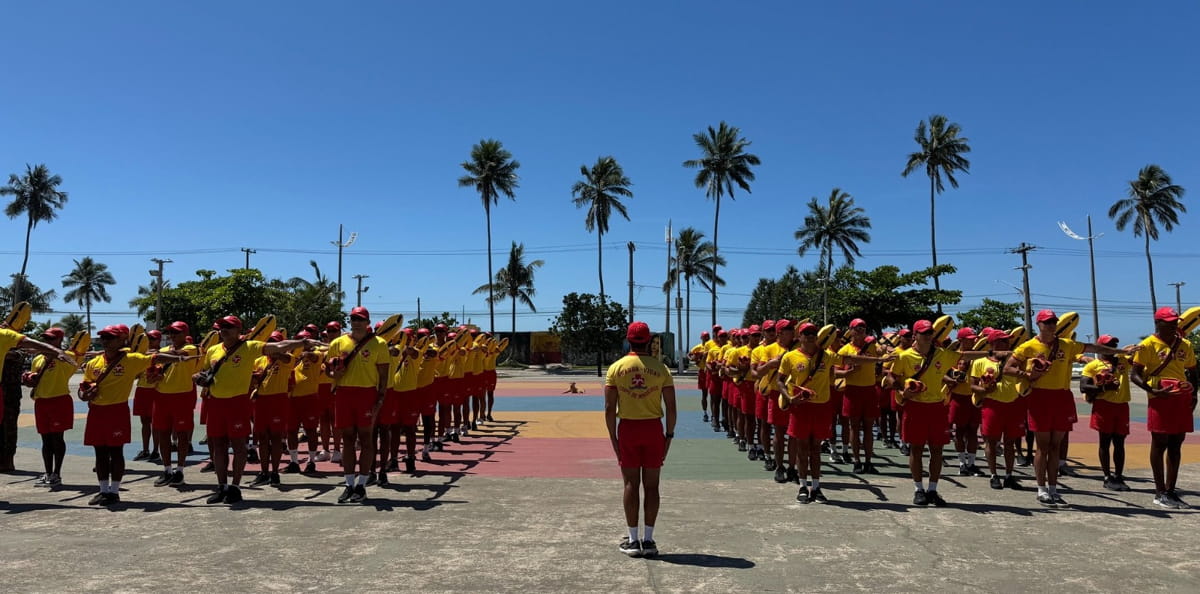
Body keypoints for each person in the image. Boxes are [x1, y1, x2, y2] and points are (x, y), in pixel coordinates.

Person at [1004, 309, 1131, 507]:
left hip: (1062, 397)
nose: (1051, 325)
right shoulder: (1028, 346)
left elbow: (1093, 347)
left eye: (1053, 321)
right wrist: (1027, 375)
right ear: (1039, 324)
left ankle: (1053, 489)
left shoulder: (1067, 345)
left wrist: (1120, 352)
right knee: (1043, 446)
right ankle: (1041, 489)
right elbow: (1008, 368)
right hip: (1040, 397)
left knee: (1056, 446)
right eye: (1047, 322)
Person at [195, 315, 316, 504]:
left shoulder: (250, 347)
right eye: (221, 327)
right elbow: (204, 371)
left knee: (238, 446)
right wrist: (199, 378)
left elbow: (276, 348)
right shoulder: (212, 350)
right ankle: (221, 487)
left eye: (228, 327)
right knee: (218, 446)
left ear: (238, 330)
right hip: (216, 403)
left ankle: (235, 487)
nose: (223, 330)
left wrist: (301, 342)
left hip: (238, 403)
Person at [82, 325, 190, 505]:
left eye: (110, 337)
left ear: (121, 341)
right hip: (96, 411)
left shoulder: (131, 359)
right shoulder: (94, 363)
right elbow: (84, 387)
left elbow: (155, 357)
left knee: (116, 452)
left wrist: (178, 358)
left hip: (117, 411)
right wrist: (85, 394)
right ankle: (103, 490)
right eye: (103, 337)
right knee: (99, 453)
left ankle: (114, 491)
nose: (106, 341)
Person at [888, 320, 987, 507]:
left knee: (937, 450)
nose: (927, 336)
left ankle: (932, 489)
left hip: (938, 407)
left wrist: (992, 353)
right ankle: (918, 489)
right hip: (915, 407)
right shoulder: (905, 356)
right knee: (916, 449)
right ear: (915, 335)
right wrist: (902, 390)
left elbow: (964, 355)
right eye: (923, 332)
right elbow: (891, 377)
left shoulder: (943, 354)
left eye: (930, 332)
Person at [604, 321, 676, 558]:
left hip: (628, 429)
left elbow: (609, 408)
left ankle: (633, 540)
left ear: (628, 340)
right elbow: (672, 407)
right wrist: (669, 435)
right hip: (653, 429)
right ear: (649, 341)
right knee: (653, 485)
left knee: (630, 484)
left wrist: (614, 439)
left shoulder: (616, 368)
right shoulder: (661, 368)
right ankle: (649, 539)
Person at [1130, 307, 1198, 509]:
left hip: (1180, 397)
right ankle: (1159, 492)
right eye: (1168, 322)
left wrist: (1194, 395)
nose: (1173, 325)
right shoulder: (1147, 345)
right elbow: (1135, 374)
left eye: (1175, 322)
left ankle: (1171, 490)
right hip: (1159, 398)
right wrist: (1152, 390)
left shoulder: (1184, 344)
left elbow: (1193, 372)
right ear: (1157, 323)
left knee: (1177, 443)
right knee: (1160, 442)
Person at [324, 306, 389, 504]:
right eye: (353, 319)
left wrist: (380, 399)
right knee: (348, 439)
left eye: (360, 319)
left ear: (368, 322)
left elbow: (384, 375)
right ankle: (349, 484)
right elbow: (327, 370)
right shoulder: (338, 342)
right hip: (344, 393)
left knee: (366, 439)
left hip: (366, 394)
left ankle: (362, 484)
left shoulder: (379, 344)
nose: (357, 323)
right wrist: (334, 374)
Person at [970, 329, 1023, 489]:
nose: (1007, 344)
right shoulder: (980, 362)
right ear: (993, 343)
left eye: (1007, 341)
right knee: (991, 442)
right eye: (1003, 341)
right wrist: (985, 390)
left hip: (1013, 404)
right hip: (992, 406)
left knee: (1010, 442)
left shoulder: (1014, 361)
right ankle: (994, 475)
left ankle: (1009, 475)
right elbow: (972, 386)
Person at [151, 321, 202, 487]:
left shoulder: (192, 349)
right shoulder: (163, 351)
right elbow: (155, 368)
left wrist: (158, 355)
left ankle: (179, 469)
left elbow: (183, 354)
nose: (173, 335)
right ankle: (167, 470)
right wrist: (155, 376)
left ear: (185, 333)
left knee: (182, 435)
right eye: (171, 332)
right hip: (161, 396)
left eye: (177, 332)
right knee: (162, 434)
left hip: (182, 396)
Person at [1080, 334, 1132, 492]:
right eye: (1109, 345)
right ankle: (1106, 476)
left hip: (1122, 406)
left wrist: (1131, 349)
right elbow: (1084, 386)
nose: (1112, 348)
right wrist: (1103, 388)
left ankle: (1118, 475)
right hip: (1104, 406)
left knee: (1120, 442)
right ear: (1100, 347)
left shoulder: (1123, 361)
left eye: (1114, 345)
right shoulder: (1093, 365)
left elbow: (1137, 354)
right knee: (1105, 441)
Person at [27, 328, 75, 486]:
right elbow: (34, 378)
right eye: (46, 339)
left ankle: (57, 474)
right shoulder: (37, 359)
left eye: (52, 339)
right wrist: (29, 378)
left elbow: (73, 362)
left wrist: (57, 354)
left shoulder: (66, 357)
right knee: (45, 439)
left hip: (59, 400)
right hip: (41, 402)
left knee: (57, 439)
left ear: (60, 340)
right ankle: (48, 473)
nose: (47, 342)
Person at [248, 331, 296, 487]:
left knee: (275, 437)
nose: (273, 345)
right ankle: (264, 472)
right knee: (262, 437)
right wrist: (254, 378)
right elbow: (252, 379)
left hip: (278, 400)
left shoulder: (287, 359)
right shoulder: (259, 360)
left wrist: (278, 352)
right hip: (261, 401)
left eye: (276, 342)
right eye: (271, 342)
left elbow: (288, 358)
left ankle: (274, 472)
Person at [837, 319, 882, 473]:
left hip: (870, 390)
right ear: (851, 330)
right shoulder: (845, 350)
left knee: (869, 427)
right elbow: (835, 371)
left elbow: (885, 353)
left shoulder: (873, 347)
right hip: (852, 391)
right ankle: (857, 461)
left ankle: (869, 461)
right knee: (854, 427)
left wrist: (884, 347)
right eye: (857, 328)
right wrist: (848, 373)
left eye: (863, 327)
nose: (860, 330)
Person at [947, 327, 985, 477]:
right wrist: (953, 376)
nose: (972, 341)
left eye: (973, 338)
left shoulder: (978, 355)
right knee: (960, 431)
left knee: (973, 432)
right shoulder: (953, 356)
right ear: (961, 340)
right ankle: (962, 463)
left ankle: (972, 463)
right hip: (958, 397)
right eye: (969, 339)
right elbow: (943, 372)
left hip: (974, 397)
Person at [288, 331, 323, 474]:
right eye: (299, 340)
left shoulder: (317, 353)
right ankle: (294, 462)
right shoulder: (291, 356)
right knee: (291, 431)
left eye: (305, 341)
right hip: (291, 399)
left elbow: (314, 357)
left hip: (309, 399)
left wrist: (306, 352)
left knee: (311, 430)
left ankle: (311, 462)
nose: (302, 343)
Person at [132, 330, 163, 463]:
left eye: (153, 339)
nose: (150, 342)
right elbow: (136, 374)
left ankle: (156, 450)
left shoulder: (162, 355)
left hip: (155, 391)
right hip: (142, 390)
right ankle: (145, 450)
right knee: (144, 422)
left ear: (159, 341)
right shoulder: (141, 356)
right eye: (148, 339)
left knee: (155, 423)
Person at [690, 331, 711, 423]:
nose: (706, 338)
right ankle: (705, 412)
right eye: (704, 337)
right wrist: (695, 359)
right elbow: (690, 355)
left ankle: (715, 414)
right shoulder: (698, 347)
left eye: (707, 336)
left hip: (711, 372)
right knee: (704, 394)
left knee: (714, 395)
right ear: (701, 338)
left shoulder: (711, 346)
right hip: (702, 372)